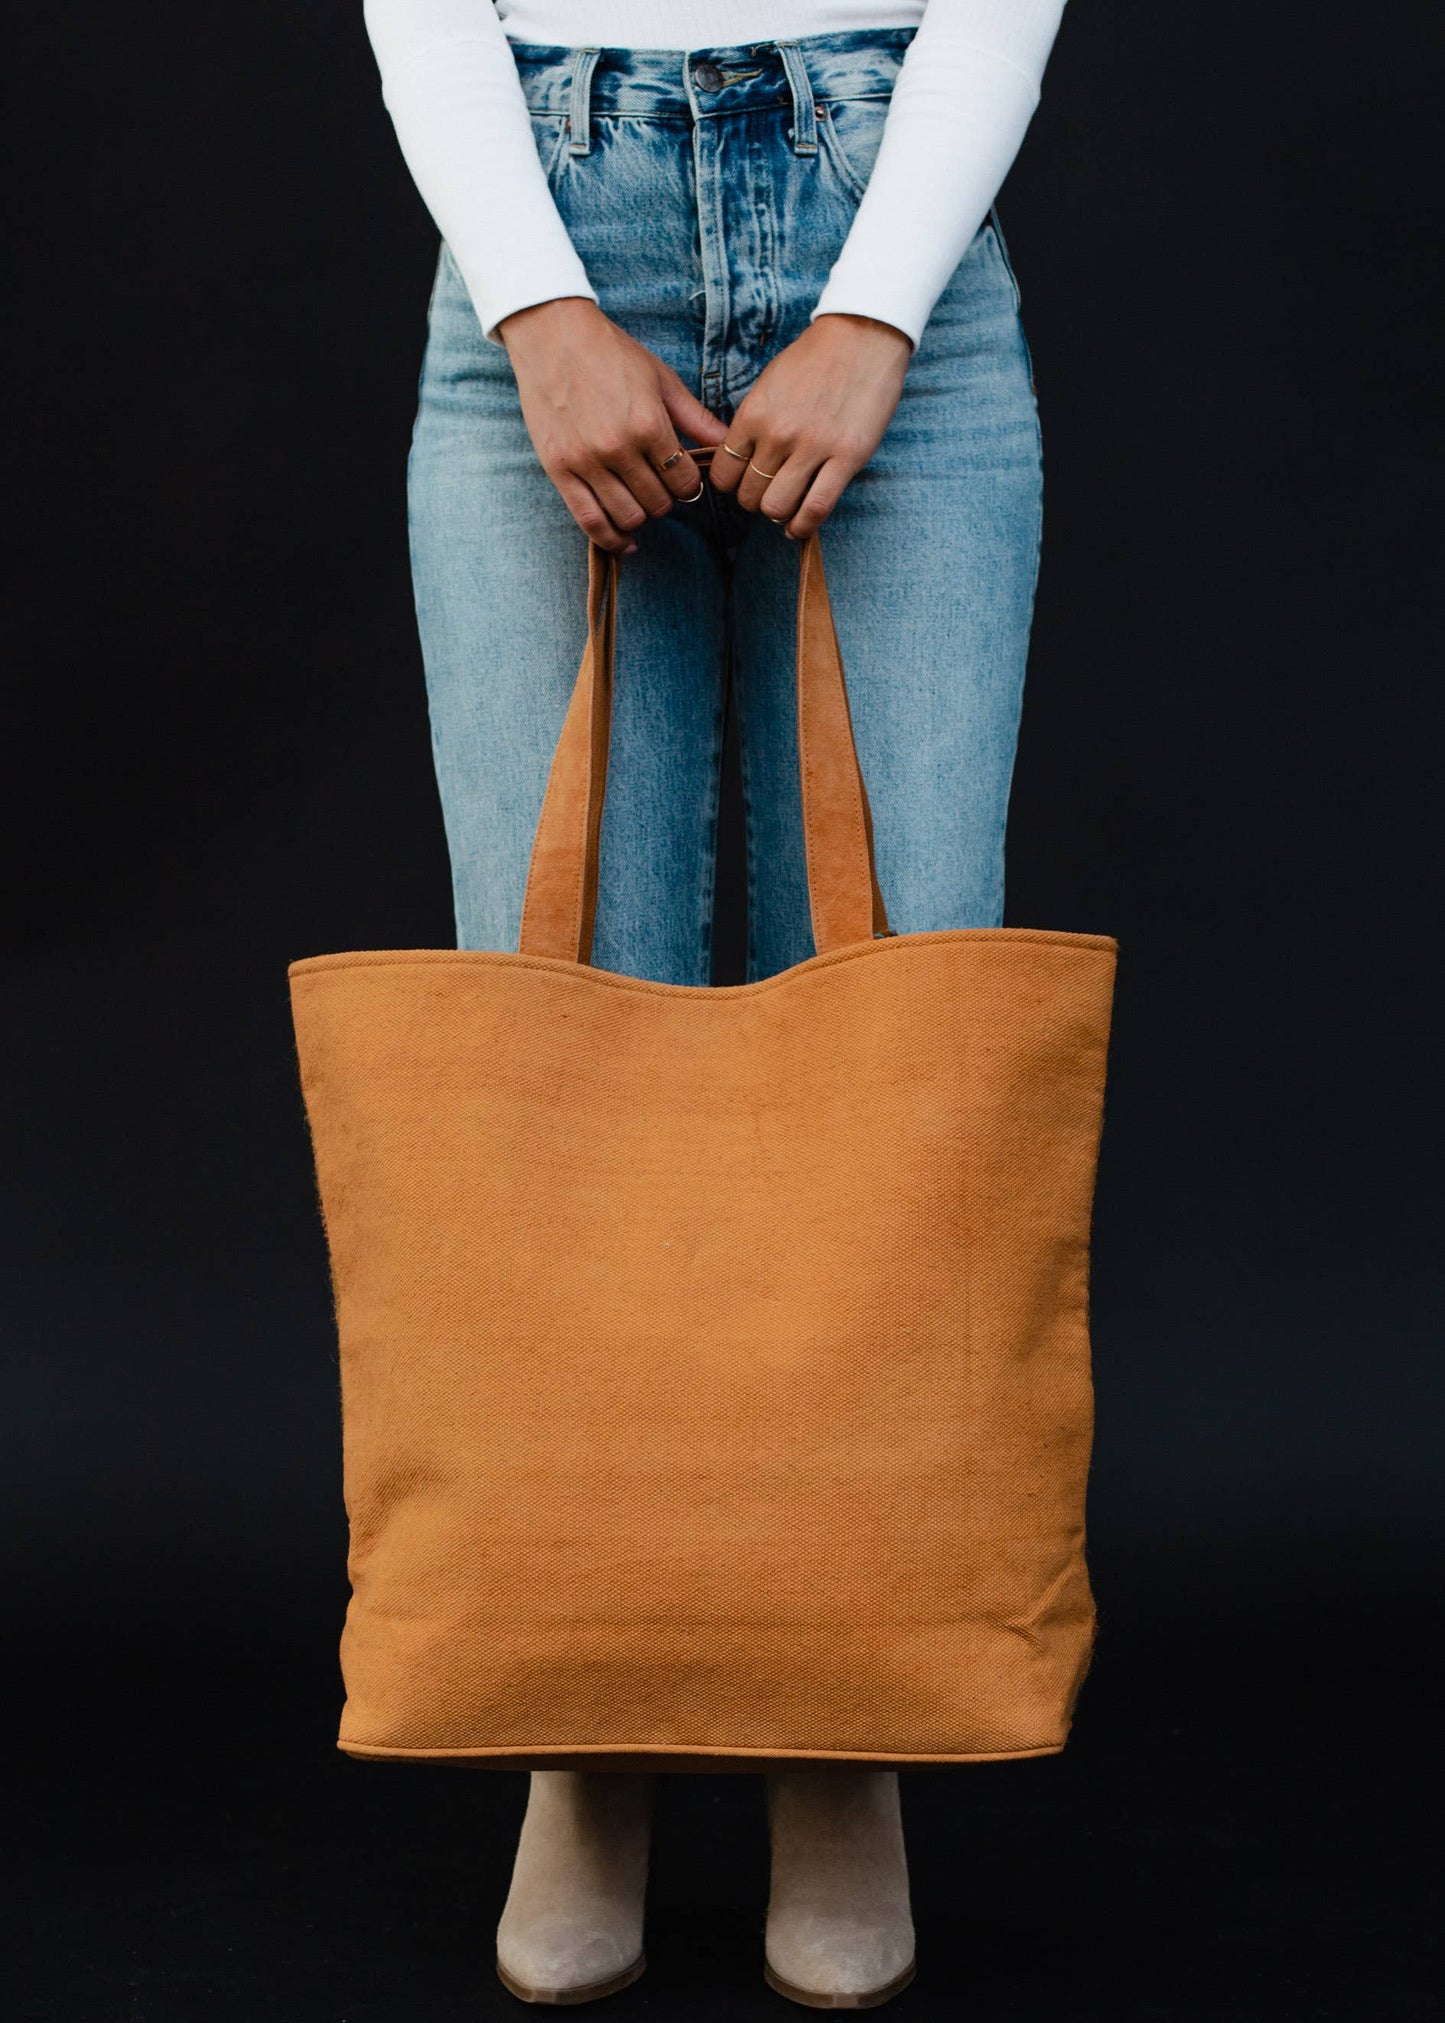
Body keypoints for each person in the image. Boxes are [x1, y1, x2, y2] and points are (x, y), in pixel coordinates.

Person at [362, 0, 1066, 2005]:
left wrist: (878, 303)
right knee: (550, 1034)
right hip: (543, 234)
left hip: (889, 227)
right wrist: (536, 299)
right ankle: (580, 1728)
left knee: (909, 1033)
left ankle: (849, 1723)